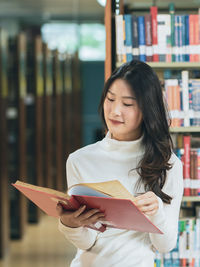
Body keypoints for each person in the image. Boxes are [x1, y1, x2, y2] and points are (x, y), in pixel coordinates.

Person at [56, 60, 183, 267]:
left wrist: (156, 212)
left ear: (147, 109)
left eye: (127, 104)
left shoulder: (167, 164)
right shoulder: (80, 160)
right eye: (110, 99)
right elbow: (88, 242)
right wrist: (70, 224)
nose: (115, 111)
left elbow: (165, 245)